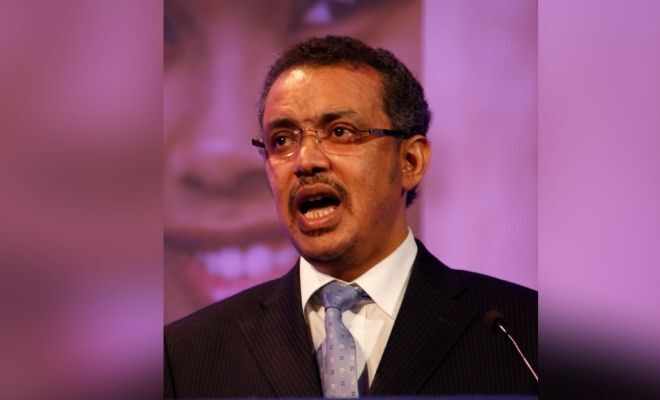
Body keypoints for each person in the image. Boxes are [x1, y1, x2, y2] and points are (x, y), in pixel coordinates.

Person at [164, 36, 537, 398]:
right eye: (282, 140)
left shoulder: (522, 334)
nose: (305, 161)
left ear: (410, 161)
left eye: (340, 132)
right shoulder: (186, 358)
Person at [163, 0, 424, 323]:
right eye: (162, 30)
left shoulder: (487, 323)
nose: (221, 159)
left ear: (411, 159)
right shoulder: (186, 345)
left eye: (335, 7)